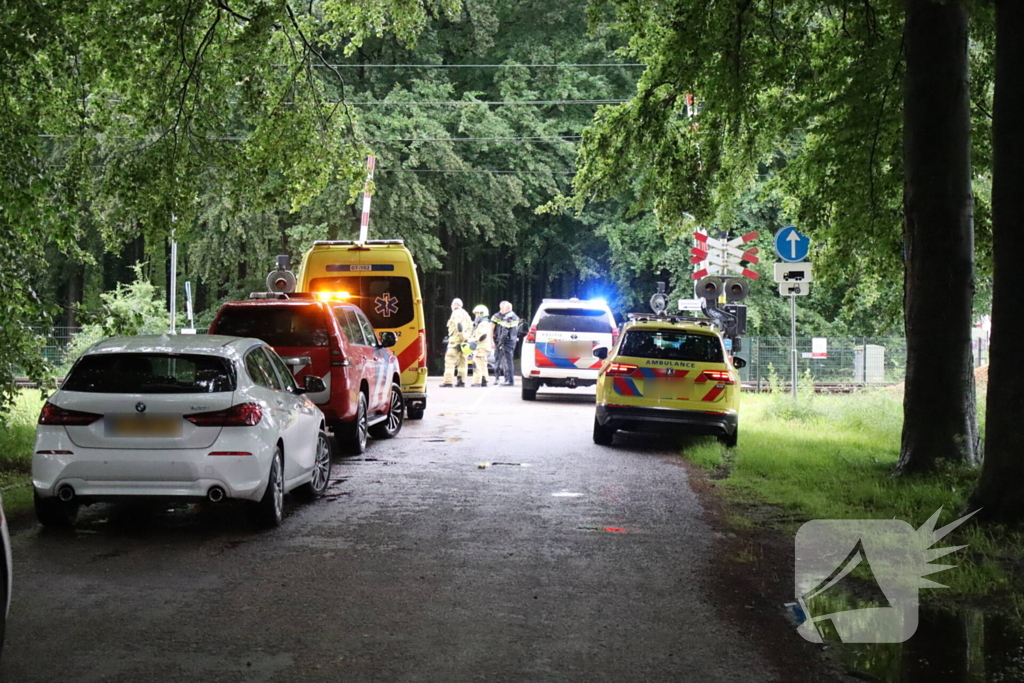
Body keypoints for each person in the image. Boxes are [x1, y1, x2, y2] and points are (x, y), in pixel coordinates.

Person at [441, 298, 473, 387]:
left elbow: (459, 325)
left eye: (452, 305)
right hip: (464, 343)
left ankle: (448, 382)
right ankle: (462, 381)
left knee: (450, 361)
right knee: (462, 362)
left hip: (455, 342)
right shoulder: (466, 314)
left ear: (455, 305)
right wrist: (467, 339)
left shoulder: (456, 313)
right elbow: (470, 327)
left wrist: (462, 337)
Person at [490, 300, 520, 386]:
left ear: (505, 308)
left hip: (506, 342)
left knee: (507, 361)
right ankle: (508, 379)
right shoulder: (515, 316)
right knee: (508, 361)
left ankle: (509, 380)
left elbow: (504, 331)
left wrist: (500, 342)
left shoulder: (507, 317)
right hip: (512, 341)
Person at [468, 305, 493, 387]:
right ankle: (484, 380)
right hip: (484, 347)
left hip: (481, 348)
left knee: (477, 363)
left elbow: (482, 335)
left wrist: (474, 341)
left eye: (477, 314)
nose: (475, 316)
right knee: (483, 364)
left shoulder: (483, 324)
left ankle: (477, 382)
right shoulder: (483, 323)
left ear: (481, 314)